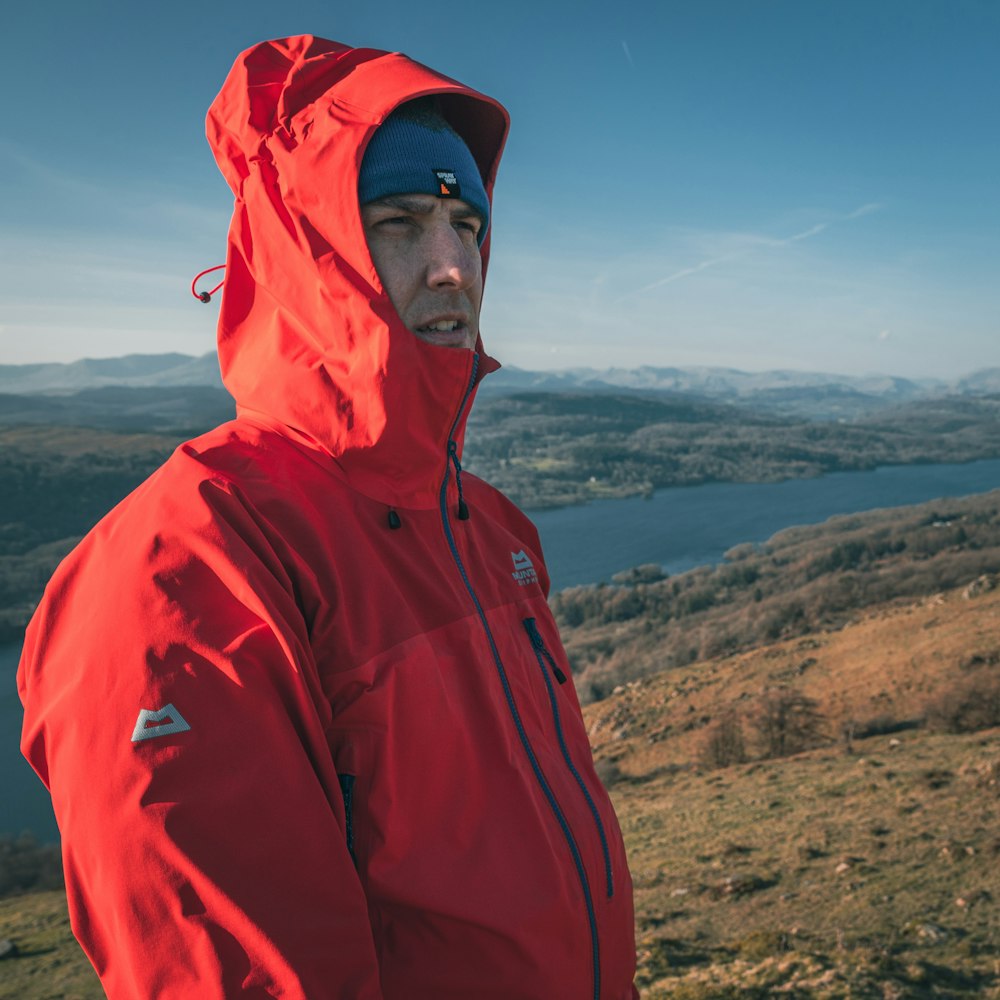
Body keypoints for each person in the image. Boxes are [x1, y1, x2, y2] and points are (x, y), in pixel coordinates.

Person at [17, 35, 637, 999]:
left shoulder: (492, 532)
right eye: (397, 222)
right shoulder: (180, 576)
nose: (451, 269)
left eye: (466, 224)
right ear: (308, 253)